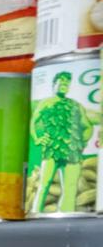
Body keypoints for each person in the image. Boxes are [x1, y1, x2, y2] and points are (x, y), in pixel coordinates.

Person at [29, 68, 97, 214]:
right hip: (52, 149)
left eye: (67, 83)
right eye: (61, 82)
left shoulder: (75, 105)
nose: (64, 85)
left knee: (71, 186)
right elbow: (34, 122)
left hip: (72, 151)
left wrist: (82, 142)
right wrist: (37, 138)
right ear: (54, 84)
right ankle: (35, 212)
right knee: (44, 183)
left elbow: (87, 126)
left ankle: (66, 213)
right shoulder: (46, 103)